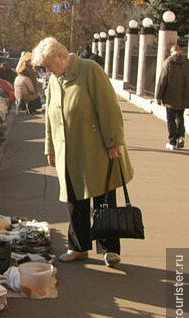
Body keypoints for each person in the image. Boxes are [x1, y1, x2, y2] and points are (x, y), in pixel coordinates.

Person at [31, 37, 134, 267]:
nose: (46, 71)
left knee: (104, 198)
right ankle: (78, 247)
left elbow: (108, 107)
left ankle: (110, 250)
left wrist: (113, 141)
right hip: (67, 150)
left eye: (48, 65)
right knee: (74, 200)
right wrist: (49, 147)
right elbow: (50, 118)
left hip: (96, 148)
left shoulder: (89, 70)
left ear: (61, 57)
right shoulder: (55, 80)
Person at [155, 44, 189, 150]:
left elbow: (163, 80)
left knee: (170, 119)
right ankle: (181, 137)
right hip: (184, 97)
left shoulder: (168, 62)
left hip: (170, 97)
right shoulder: (188, 63)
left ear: (172, 52)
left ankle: (172, 141)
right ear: (181, 51)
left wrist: (158, 96)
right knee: (180, 117)